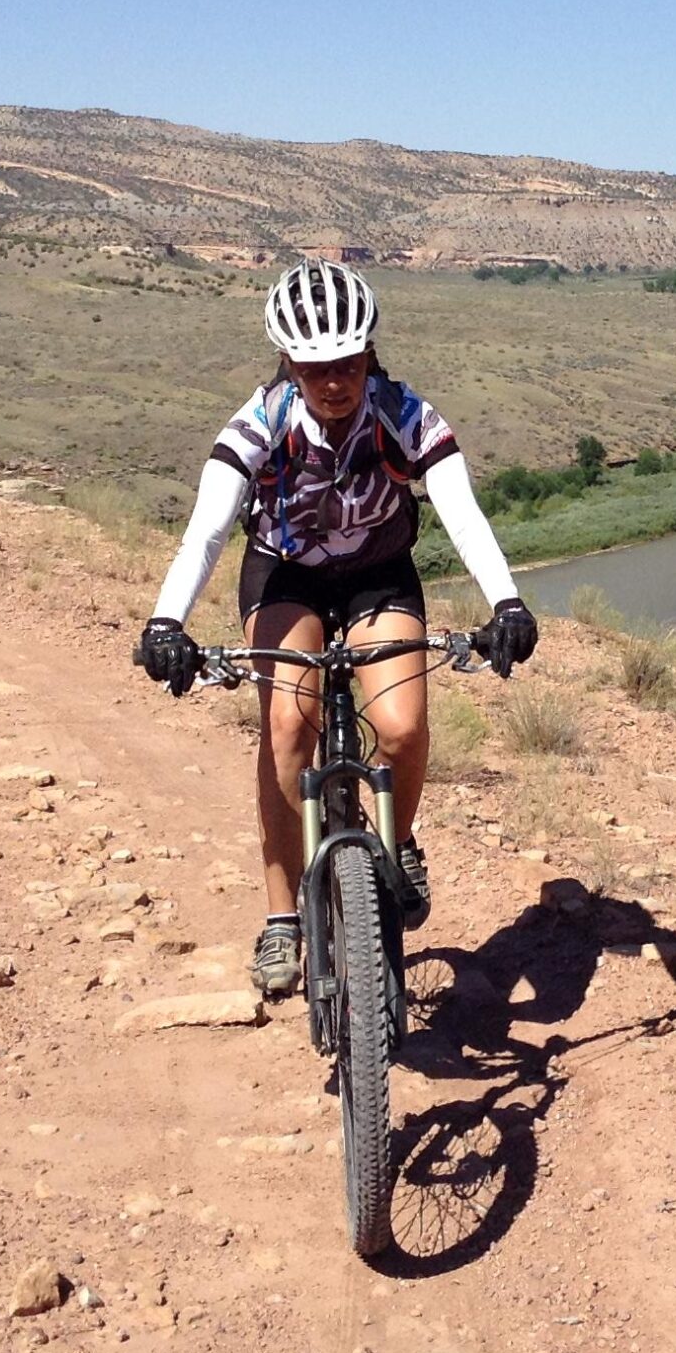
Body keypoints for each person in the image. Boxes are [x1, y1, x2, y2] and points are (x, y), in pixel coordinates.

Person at [133, 260, 538, 999]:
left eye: (348, 364)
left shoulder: (404, 414)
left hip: (379, 573)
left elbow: (461, 510)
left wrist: (506, 602)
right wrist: (167, 622)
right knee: (290, 724)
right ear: (288, 363)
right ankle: (281, 917)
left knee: (402, 728)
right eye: (315, 367)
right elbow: (206, 532)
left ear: (370, 356)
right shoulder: (261, 424)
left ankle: (398, 838)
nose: (333, 382)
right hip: (285, 576)